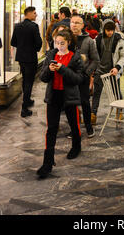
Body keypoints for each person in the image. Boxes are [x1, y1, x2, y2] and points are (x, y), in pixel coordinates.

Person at [37, 30, 84, 179]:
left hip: (69, 96)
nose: (59, 46)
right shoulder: (51, 55)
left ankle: (76, 146)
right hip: (54, 96)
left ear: (68, 43)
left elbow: (78, 79)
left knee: (73, 124)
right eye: (57, 43)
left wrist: (62, 69)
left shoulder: (75, 57)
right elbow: (43, 78)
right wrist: (50, 71)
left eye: (62, 43)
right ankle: (47, 161)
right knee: (51, 128)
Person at [91, 19, 124, 125]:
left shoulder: (119, 40)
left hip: (113, 71)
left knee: (116, 92)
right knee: (96, 93)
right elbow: (93, 54)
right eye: (108, 30)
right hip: (99, 70)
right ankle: (93, 114)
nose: (110, 32)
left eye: (112, 30)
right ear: (103, 29)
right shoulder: (97, 40)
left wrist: (117, 67)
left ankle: (119, 111)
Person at [70, 14, 99, 137]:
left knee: (85, 102)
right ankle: (74, 128)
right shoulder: (66, 38)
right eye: (72, 22)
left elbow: (96, 60)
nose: (74, 25)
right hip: (69, 77)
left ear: (82, 25)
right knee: (71, 104)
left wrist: (87, 73)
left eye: (77, 23)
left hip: (83, 77)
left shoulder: (88, 41)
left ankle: (88, 127)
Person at [11, 6, 42, 117]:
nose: (36, 15)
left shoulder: (17, 26)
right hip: (31, 58)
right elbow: (39, 42)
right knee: (29, 81)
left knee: (25, 80)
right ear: (28, 14)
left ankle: (27, 100)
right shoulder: (34, 26)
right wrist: (34, 49)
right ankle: (24, 108)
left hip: (21, 57)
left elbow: (13, 42)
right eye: (34, 13)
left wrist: (22, 46)